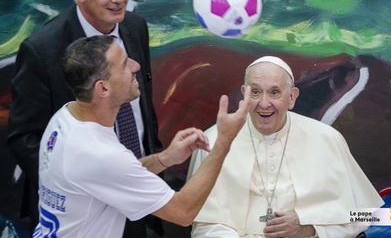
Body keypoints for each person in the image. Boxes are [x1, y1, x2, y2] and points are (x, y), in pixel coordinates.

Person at [32, 35, 252, 238]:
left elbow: (114, 175)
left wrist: (165, 158)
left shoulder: (66, 117)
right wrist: (224, 141)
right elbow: (183, 212)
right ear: (103, 88)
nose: (136, 66)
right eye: (125, 64)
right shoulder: (99, 154)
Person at [8, 0, 162, 236]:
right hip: (82, 213)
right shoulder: (42, 49)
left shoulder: (136, 27)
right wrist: (78, 186)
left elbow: (142, 104)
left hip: (139, 194)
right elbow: (24, 137)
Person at [188, 56, 384, 238]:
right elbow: (203, 225)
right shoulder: (213, 142)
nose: (264, 103)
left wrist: (309, 227)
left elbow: (374, 217)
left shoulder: (327, 139)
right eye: (255, 92)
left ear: (291, 97)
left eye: (274, 92)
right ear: (243, 95)